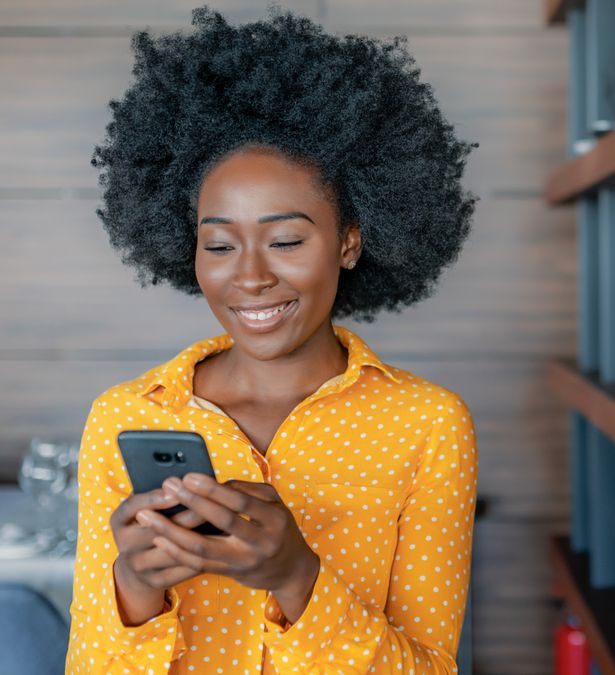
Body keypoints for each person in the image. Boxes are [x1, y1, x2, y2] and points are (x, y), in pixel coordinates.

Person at [65, 6, 479, 673]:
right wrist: (136, 590)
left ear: (349, 241)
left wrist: (296, 577)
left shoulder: (427, 425)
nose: (251, 276)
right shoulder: (128, 416)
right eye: (220, 243)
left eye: (285, 240)